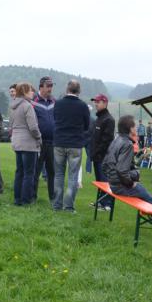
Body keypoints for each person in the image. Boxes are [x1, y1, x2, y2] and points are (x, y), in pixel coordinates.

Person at [102, 115, 152, 209]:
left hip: (114, 185)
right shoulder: (127, 144)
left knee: (147, 197)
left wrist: (113, 179)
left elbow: (104, 165)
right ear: (131, 129)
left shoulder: (116, 140)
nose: (136, 128)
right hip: (121, 187)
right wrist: (131, 184)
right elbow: (122, 171)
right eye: (135, 126)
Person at [52, 80, 90, 213]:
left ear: (67, 89)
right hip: (75, 144)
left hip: (59, 142)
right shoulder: (83, 106)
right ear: (79, 91)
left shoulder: (58, 103)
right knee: (73, 176)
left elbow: (55, 119)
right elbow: (87, 125)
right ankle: (68, 206)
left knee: (58, 175)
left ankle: (57, 205)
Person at [10, 82, 41, 206]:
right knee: (29, 173)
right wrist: (39, 138)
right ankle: (26, 200)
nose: (33, 92)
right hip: (28, 144)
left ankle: (17, 199)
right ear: (24, 92)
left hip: (17, 142)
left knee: (19, 172)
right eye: (30, 90)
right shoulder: (27, 106)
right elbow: (33, 127)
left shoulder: (13, 106)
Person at [89, 94, 115, 210]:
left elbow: (106, 141)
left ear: (105, 103)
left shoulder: (109, 119)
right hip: (97, 156)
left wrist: (96, 152)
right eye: (95, 102)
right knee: (99, 180)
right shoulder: (99, 118)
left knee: (105, 180)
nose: (96, 104)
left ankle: (107, 204)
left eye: (98, 102)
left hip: (104, 157)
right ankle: (100, 201)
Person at [33, 77, 56, 203]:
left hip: (52, 142)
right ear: (41, 87)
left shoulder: (54, 101)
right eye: (48, 86)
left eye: (51, 86)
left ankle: (53, 198)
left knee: (52, 172)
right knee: (36, 171)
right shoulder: (34, 101)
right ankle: (33, 197)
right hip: (38, 142)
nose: (50, 88)